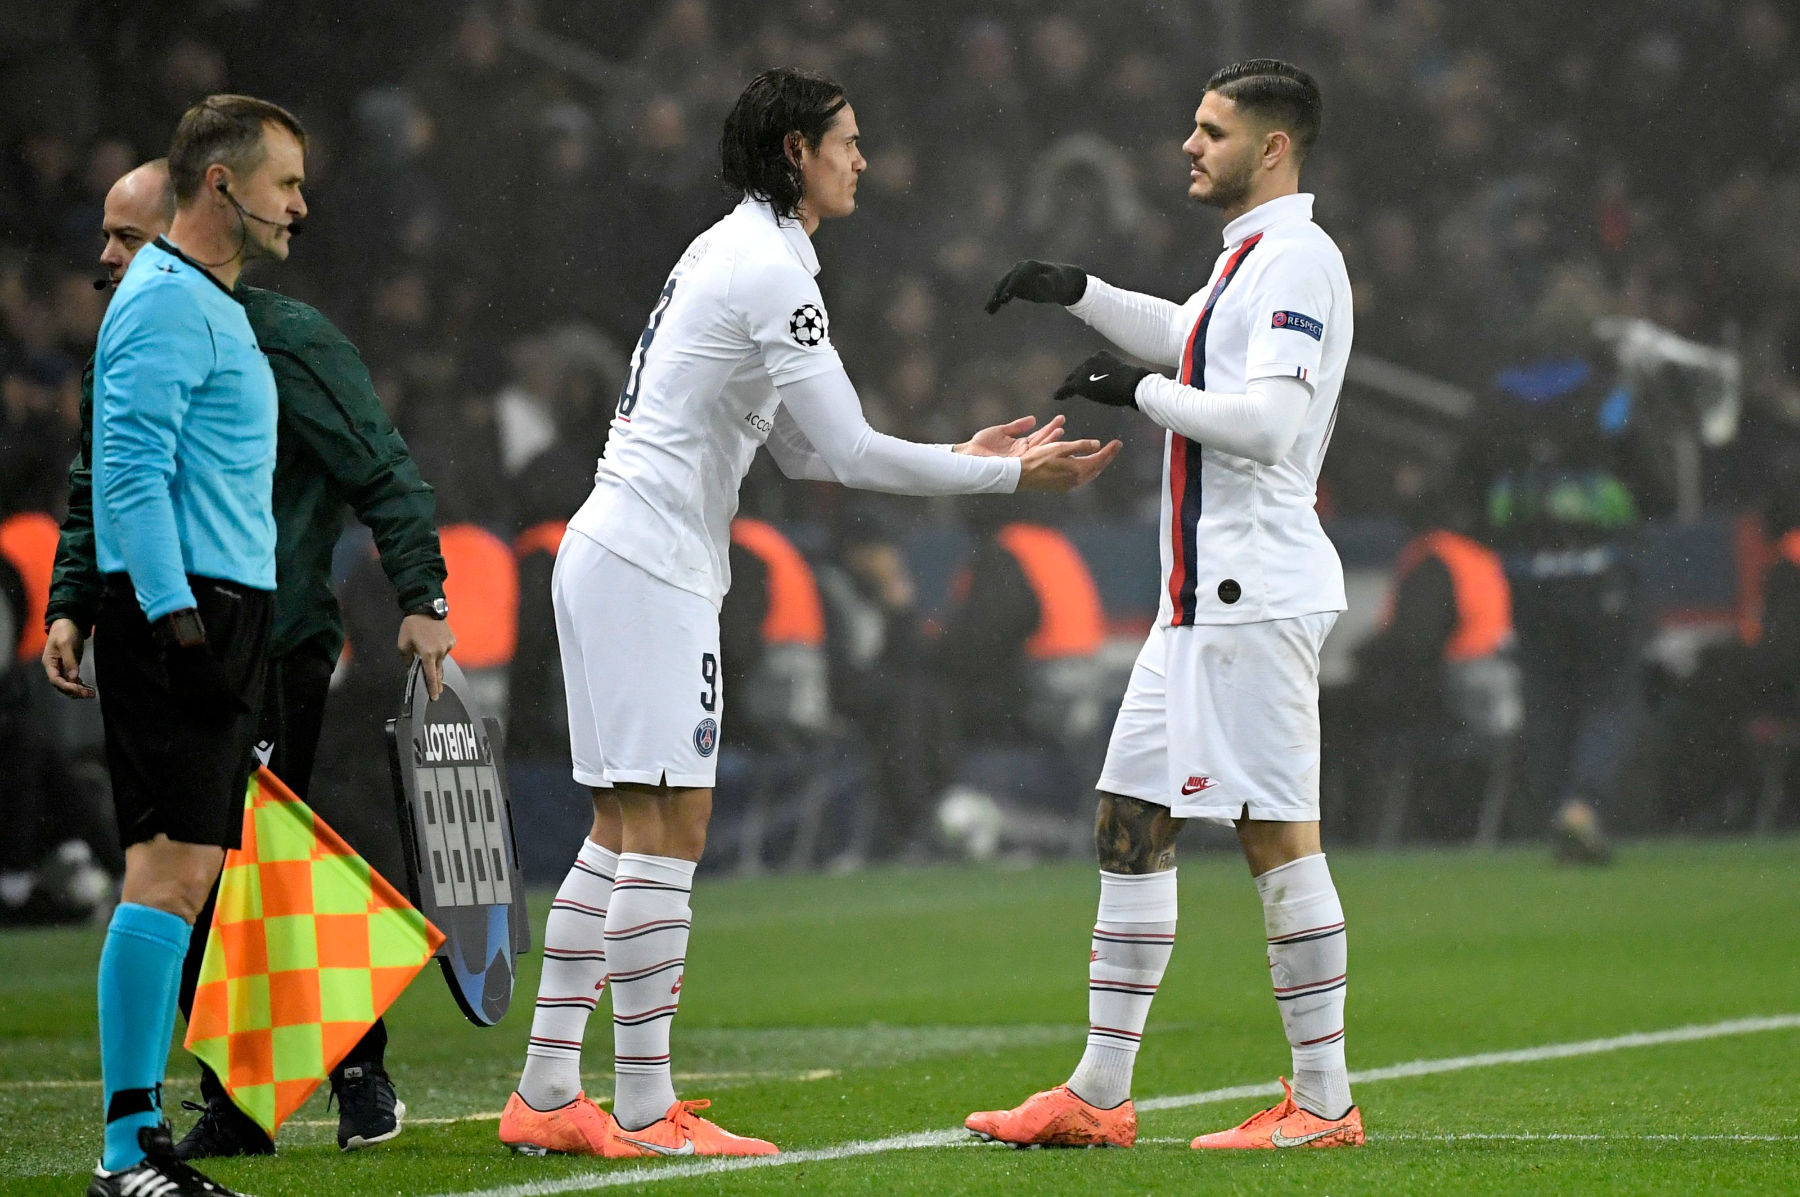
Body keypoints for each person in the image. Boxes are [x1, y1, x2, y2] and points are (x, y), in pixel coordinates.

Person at [497, 66, 1120, 1161]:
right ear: (797, 153)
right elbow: (845, 451)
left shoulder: (727, 248)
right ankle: (644, 1109)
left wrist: (957, 457)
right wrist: (1002, 479)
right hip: (649, 564)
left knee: (619, 827)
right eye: (847, 141)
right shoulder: (770, 269)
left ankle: (550, 1089)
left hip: (616, 550)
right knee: (667, 828)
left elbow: (790, 443)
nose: (863, 159)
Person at [965, 60, 1365, 1151]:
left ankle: (1325, 1103)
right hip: (1196, 603)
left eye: (1211, 129)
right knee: (1130, 822)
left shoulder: (1299, 262)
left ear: (1272, 147)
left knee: (1276, 835)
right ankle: (1099, 1096)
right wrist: (1076, 291)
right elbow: (1186, 334)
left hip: (1251, 595)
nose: (1189, 145)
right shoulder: (1248, 263)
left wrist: (1134, 394)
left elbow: (1272, 426)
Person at [46, 148, 456, 1158]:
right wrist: (71, 599)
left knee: (239, 868)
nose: (107, 258)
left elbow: (382, 465)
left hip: (273, 643)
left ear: (191, 219)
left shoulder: (284, 339)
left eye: (127, 237)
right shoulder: (136, 330)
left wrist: (422, 593)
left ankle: (339, 1066)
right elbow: (102, 478)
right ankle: (244, 1091)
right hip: (169, 633)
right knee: (211, 866)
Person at [80, 94, 304, 1197]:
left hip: (220, 609)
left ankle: (138, 1145)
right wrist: (177, 625)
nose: (298, 208)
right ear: (223, 184)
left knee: (191, 870)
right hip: (182, 614)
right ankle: (128, 1153)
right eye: (285, 185)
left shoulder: (204, 301)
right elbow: (127, 469)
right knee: (166, 875)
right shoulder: (166, 302)